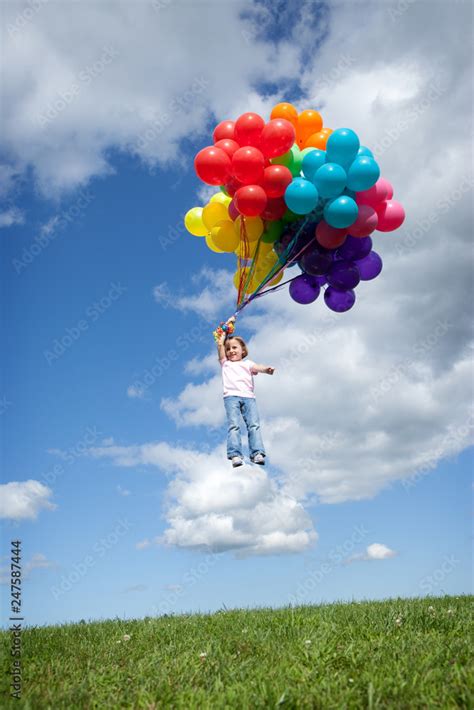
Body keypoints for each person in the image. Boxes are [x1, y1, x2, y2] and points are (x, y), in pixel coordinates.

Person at [217, 319, 274, 467]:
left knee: (253, 425)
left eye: (234, 347)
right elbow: (219, 344)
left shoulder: (247, 364)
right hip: (231, 397)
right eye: (228, 349)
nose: (231, 351)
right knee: (234, 425)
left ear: (243, 350)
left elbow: (258, 367)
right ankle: (235, 455)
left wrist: (266, 370)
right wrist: (224, 331)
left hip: (249, 398)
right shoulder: (226, 363)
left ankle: (257, 453)